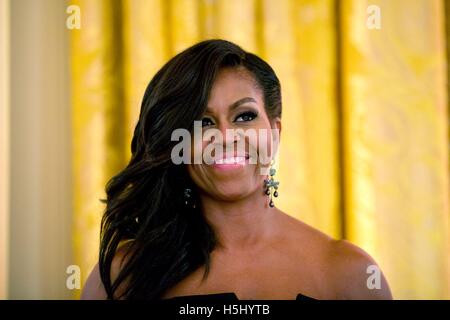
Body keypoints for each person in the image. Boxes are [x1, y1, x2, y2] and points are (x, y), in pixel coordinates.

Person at [81, 39, 392, 300]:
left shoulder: (350, 274)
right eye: (203, 123)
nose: (226, 137)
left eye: (244, 116)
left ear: (275, 132)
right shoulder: (121, 275)